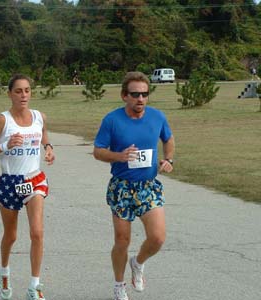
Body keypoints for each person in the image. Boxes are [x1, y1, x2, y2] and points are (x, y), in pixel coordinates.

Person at [93, 71, 175, 300]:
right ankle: (119, 284)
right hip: (121, 187)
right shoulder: (112, 120)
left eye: (144, 94)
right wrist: (118, 156)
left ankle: (137, 263)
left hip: (148, 186)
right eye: (135, 94)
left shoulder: (157, 117)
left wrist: (168, 159)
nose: (140, 99)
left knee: (157, 238)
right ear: (124, 96)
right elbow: (98, 151)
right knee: (122, 240)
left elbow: (168, 139)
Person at [0, 74, 55, 300]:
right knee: (11, 236)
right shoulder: (3, 120)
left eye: (27, 90)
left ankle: (35, 286)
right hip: (10, 183)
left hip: (34, 180)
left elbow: (44, 135)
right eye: (19, 91)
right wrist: (5, 144)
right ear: (10, 93)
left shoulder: (39, 116)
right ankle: (4, 272)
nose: (23, 95)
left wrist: (48, 147)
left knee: (37, 232)